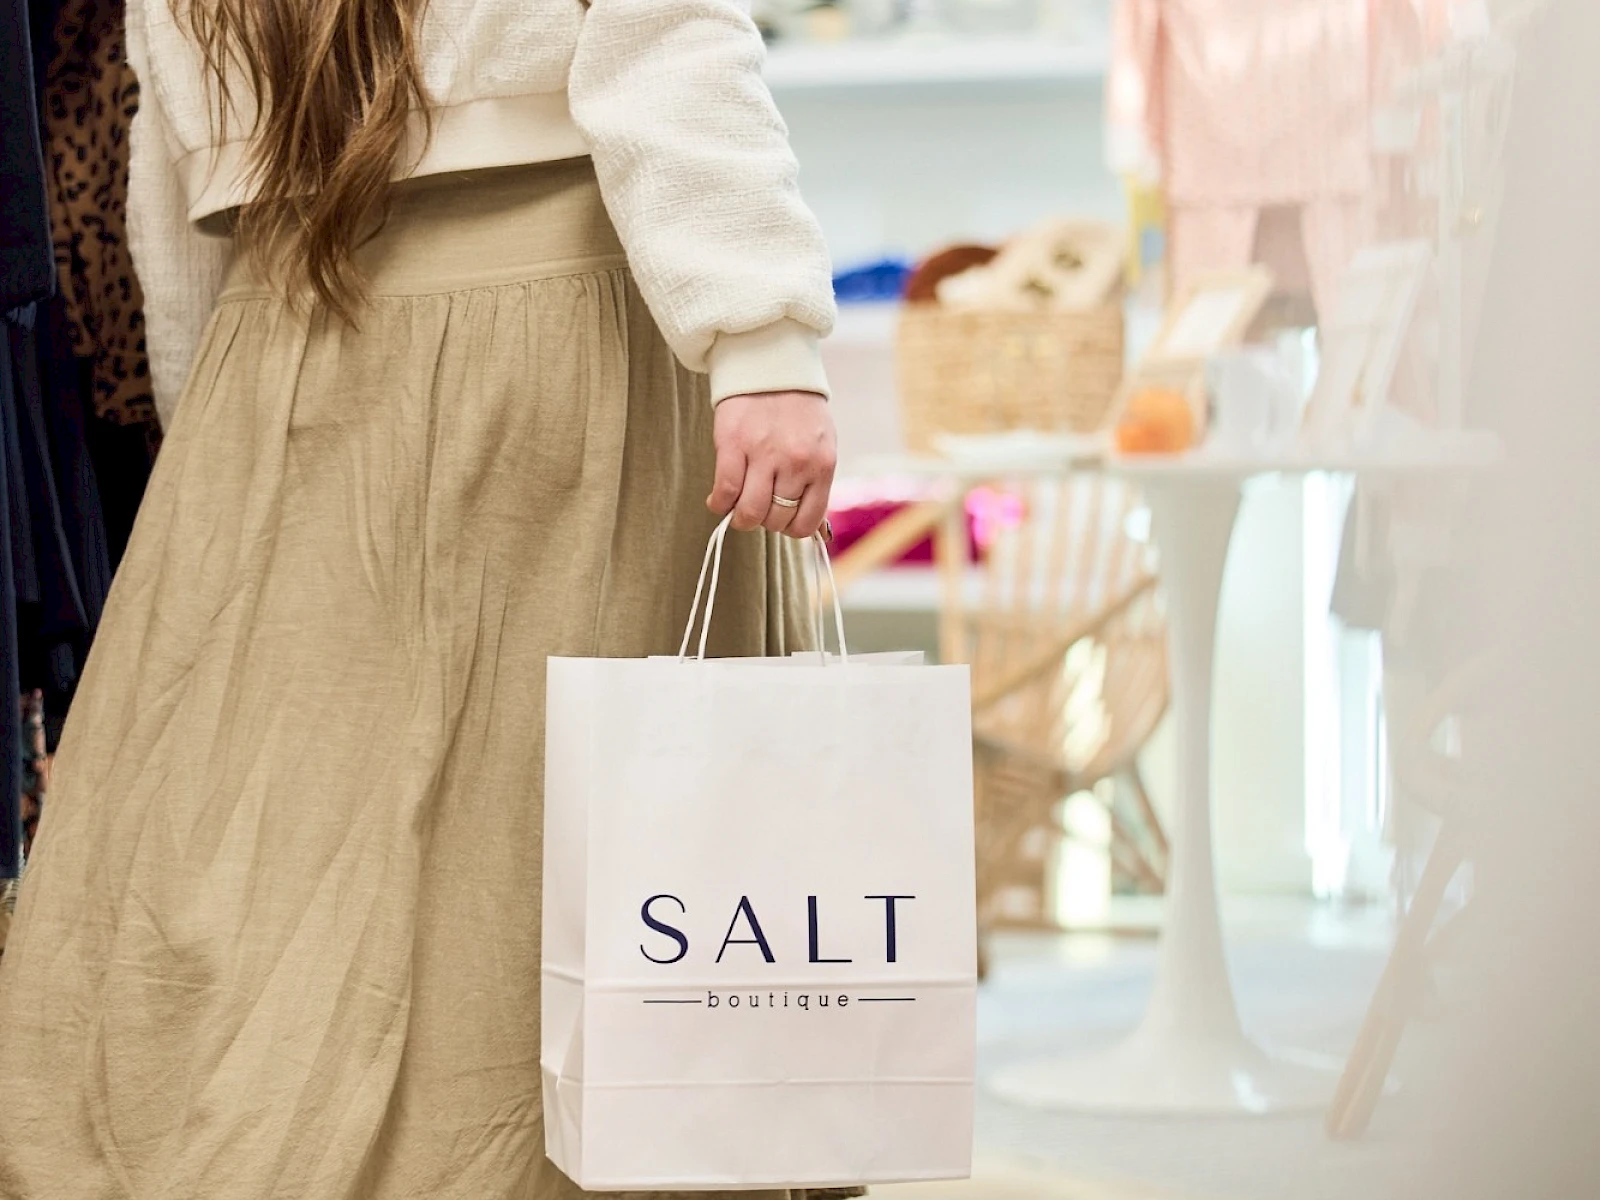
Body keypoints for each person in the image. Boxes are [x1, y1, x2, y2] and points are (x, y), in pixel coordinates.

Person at [0, 0, 851, 1196]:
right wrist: (761, 337)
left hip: (283, 342)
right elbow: (666, 38)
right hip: (561, 328)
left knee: (272, 841)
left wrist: (209, 442)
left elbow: (175, 181)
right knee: (549, 844)